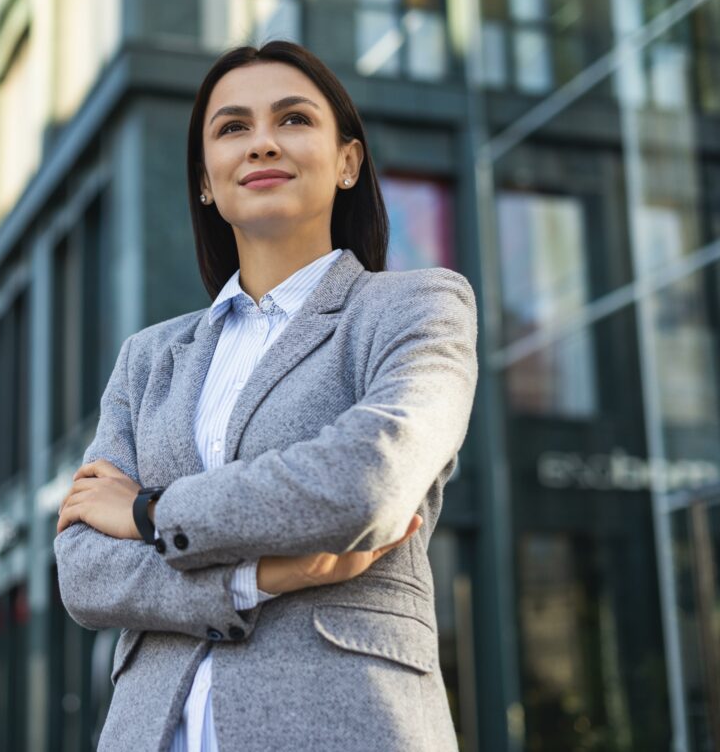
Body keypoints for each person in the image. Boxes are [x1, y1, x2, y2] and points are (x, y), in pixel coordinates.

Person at [53, 40, 477, 751]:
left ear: (348, 161)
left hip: (346, 725)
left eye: (293, 119)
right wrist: (260, 577)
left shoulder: (417, 306)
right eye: (232, 128)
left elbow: (364, 483)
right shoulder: (148, 359)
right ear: (205, 183)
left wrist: (148, 510)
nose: (262, 144)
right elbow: (86, 573)